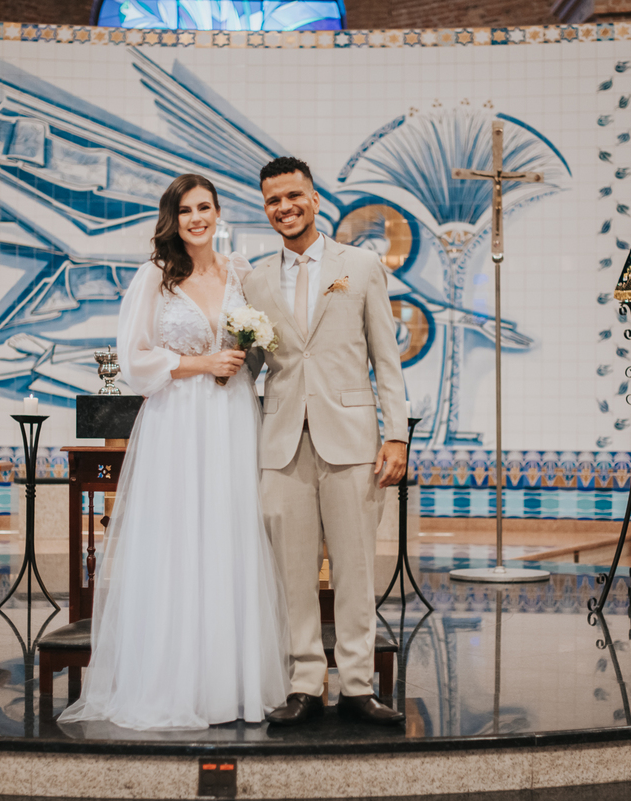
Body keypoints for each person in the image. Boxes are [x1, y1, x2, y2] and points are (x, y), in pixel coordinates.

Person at [58, 174, 289, 730]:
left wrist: (246, 358)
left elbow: (264, 345)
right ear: (173, 218)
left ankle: (229, 684)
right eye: (185, 210)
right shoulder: (155, 277)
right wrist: (201, 364)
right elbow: (134, 360)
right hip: (177, 420)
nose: (197, 218)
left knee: (229, 535)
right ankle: (171, 682)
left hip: (233, 417)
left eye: (204, 207)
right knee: (178, 539)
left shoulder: (242, 273)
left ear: (218, 212)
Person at [243, 157, 408, 726]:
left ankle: (358, 686)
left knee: (355, 569)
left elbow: (386, 358)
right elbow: (252, 365)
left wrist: (396, 435)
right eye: (273, 200)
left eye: (294, 196)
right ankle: (305, 684)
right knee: (292, 573)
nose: (284, 208)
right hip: (282, 442)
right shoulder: (255, 281)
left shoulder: (359, 266)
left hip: (352, 440)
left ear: (314, 199)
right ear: (265, 208)